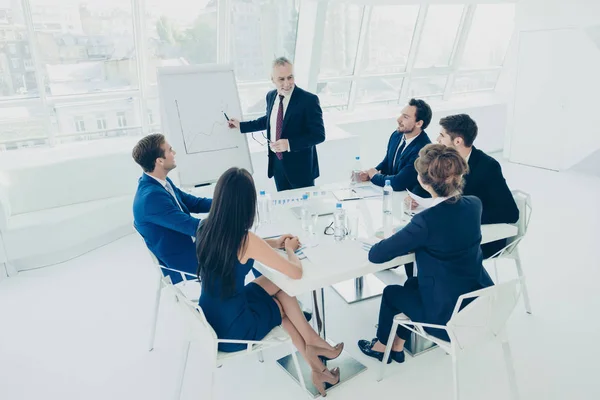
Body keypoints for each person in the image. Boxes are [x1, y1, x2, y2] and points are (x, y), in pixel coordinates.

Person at [196, 168, 341, 396]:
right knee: (281, 304)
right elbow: (295, 273)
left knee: (279, 290)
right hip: (235, 331)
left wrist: (274, 243)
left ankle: (316, 354)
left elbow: (242, 248)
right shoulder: (245, 239)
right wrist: (290, 249)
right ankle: (315, 358)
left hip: (211, 316)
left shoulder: (206, 226)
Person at [358, 144, 494, 364]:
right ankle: (398, 346)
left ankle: (381, 347)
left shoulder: (424, 222)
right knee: (412, 283)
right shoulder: (474, 205)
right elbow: (449, 222)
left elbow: (376, 256)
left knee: (392, 293)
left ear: (422, 181)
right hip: (479, 305)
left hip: (449, 320)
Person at [410, 114, 519, 259]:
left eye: (442, 135)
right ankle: (413, 277)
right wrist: (416, 198)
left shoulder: (488, 166)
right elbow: (424, 185)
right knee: (420, 237)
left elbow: (510, 213)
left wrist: (462, 217)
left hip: (481, 240)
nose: (437, 139)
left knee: (424, 243)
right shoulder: (441, 161)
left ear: (457, 141)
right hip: (451, 231)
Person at [227, 57, 325, 191]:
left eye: (290, 77)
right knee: (283, 208)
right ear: (272, 79)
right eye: (281, 79)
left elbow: (318, 135)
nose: (287, 83)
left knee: (304, 209)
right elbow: (270, 120)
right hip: (278, 165)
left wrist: (289, 144)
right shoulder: (271, 96)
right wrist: (242, 125)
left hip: (301, 170)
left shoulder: (309, 100)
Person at [132, 133, 212, 284]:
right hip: (186, 263)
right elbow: (195, 227)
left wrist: (228, 202)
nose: (174, 153)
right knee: (248, 250)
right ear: (160, 160)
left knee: (250, 246)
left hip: (192, 247)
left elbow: (193, 203)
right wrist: (229, 216)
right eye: (170, 150)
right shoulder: (151, 198)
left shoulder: (160, 182)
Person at [357, 98, 432, 191]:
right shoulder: (396, 135)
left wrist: (374, 176)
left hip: (408, 199)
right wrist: (370, 173)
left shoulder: (423, 150)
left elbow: (398, 183)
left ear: (419, 123)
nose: (398, 119)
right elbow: (387, 162)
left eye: (405, 117)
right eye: (401, 115)